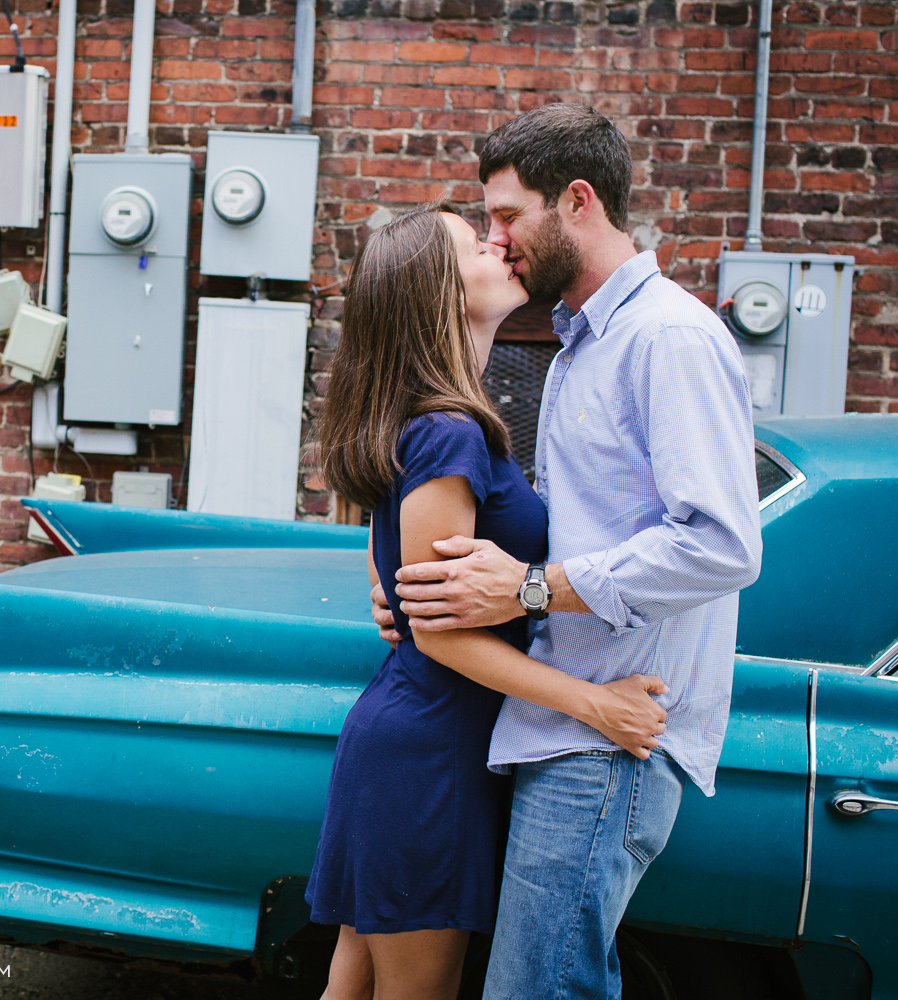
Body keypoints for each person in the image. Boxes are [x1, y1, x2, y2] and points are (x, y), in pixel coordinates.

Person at [381, 103, 764, 1000]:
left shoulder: (666, 337)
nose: (496, 238)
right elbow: (581, 524)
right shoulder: (579, 347)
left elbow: (720, 544)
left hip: (610, 736)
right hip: (566, 727)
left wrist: (526, 590)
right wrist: (419, 592)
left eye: (508, 216)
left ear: (578, 201)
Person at [306, 204, 674, 1000]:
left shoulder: (443, 420)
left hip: (417, 740)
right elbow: (440, 633)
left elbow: (415, 592)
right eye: (478, 242)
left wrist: (397, 600)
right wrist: (595, 705)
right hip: (429, 751)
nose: (499, 241)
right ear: (440, 291)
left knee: (355, 986)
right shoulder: (449, 431)